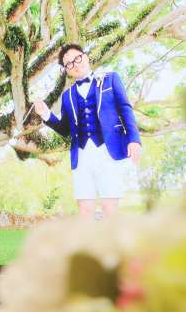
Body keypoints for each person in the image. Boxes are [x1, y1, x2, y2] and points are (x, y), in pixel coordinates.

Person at [33, 44, 142, 219]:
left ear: (85, 56)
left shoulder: (110, 79)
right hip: (81, 155)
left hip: (108, 151)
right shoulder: (67, 95)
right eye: (69, 64)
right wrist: (46, 114)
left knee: (109, 206)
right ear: (66, 70)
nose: (75, 64)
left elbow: (125, 108)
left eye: (77, 58)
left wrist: (134, 140)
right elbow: (65, 130)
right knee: (85, 209)